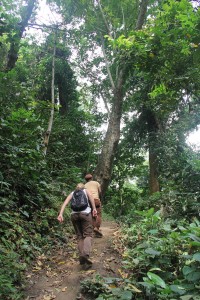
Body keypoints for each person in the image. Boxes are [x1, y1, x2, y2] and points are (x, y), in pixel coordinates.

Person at [57, 183, 97, 268]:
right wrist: (94, 209)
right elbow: (92, 199)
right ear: (83, 187)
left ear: (76, 188)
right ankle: (85, 255)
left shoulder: (72, 193)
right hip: (85, 214)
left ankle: (82, 257)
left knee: (80, 237)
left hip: (74, 216)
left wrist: (60, 214)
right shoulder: (86, 191)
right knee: (88, 235)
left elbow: (65, 203)